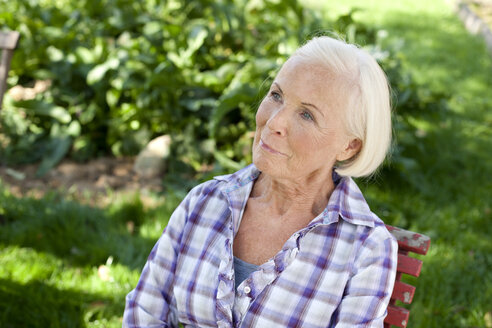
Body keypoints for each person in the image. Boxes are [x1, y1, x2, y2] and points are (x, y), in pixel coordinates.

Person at [123, 35, 397, 328]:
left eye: (306, 115)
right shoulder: (205, 202)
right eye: (276, 95)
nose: (274, 122)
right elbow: (145, 312)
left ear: (349, 146)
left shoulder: (366, 249)